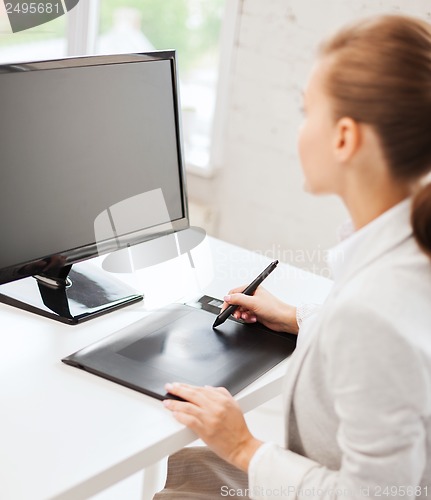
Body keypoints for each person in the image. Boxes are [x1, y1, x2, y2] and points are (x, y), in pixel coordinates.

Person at [155, 14, 431, 499]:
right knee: (190, 469)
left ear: (345, 137)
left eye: (308, 113)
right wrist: (299, 318)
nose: (300, 130)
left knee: (193, 479)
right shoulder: (406, 245)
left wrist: (242, 446)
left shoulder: (371, 310)